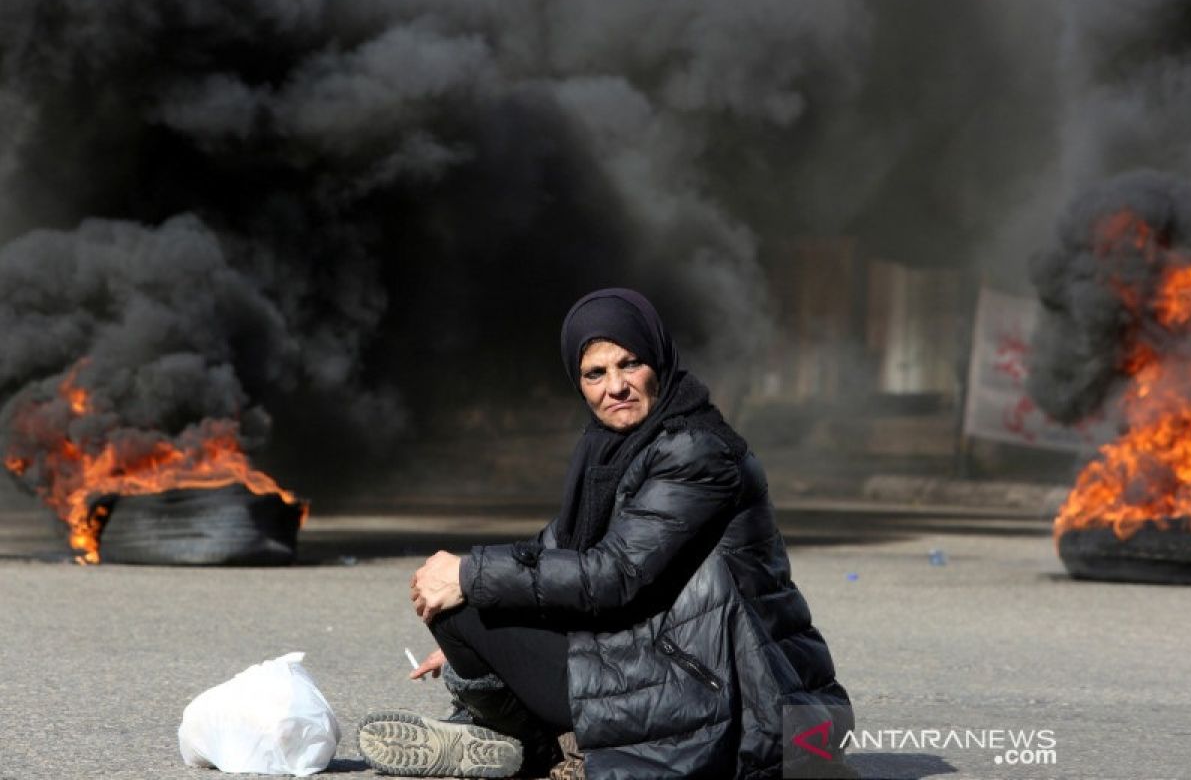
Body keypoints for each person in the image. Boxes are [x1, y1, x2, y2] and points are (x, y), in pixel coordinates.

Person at [358, 288, 854, 779]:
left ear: (659, 362)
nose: (615, 386)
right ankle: (526, 739)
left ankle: (534, 747)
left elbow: (613, 574)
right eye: (595, 373)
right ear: (579, 383)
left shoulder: (696, 451)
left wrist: (469, 577)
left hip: (718, 689)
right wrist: (483, 620)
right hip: (664, 656)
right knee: (465, 600)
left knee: (466, 592)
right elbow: (551, 550)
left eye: (630, 364)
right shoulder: (613, 450)